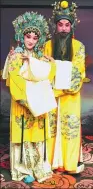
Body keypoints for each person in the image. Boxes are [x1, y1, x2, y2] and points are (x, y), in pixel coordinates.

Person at [2, 11, 55, 183]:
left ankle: (37, 166)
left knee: (37, 134)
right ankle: (22, 169)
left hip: (37, 101)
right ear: (21, 36)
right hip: (23, 102)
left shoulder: (40, 56)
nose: (31, 40)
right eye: (28, 36)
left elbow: (48, 76)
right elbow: (14, 79)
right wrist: (25, 97)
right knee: (23, 134)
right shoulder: (15, 56)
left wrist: (51, 63)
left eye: (34, 37)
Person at [44, 0, 86, 174]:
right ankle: (52, 162)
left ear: (71, 27)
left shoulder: (79, 46)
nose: (63, 28)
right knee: (51, 128)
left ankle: (69, 163)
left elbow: (78, 71)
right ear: (55, 26)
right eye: (60, 25)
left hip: (69, 96)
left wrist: (56, 65)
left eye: (66, 25)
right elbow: (44, 70)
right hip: (51, 95)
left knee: (70, 128)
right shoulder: (47, 45)